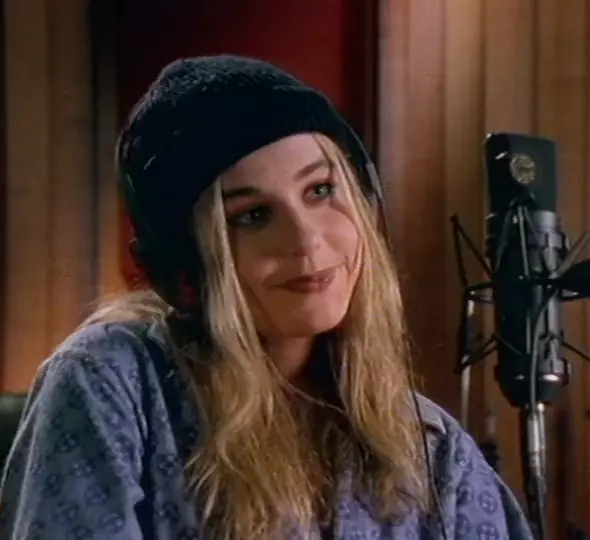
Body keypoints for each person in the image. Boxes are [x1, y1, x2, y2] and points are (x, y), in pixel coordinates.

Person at [0, 55, 534, 539]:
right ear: (185, 267)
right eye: (252, 216)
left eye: (320, 190)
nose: (307, 240)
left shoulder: (431, 446)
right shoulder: (109, 381)